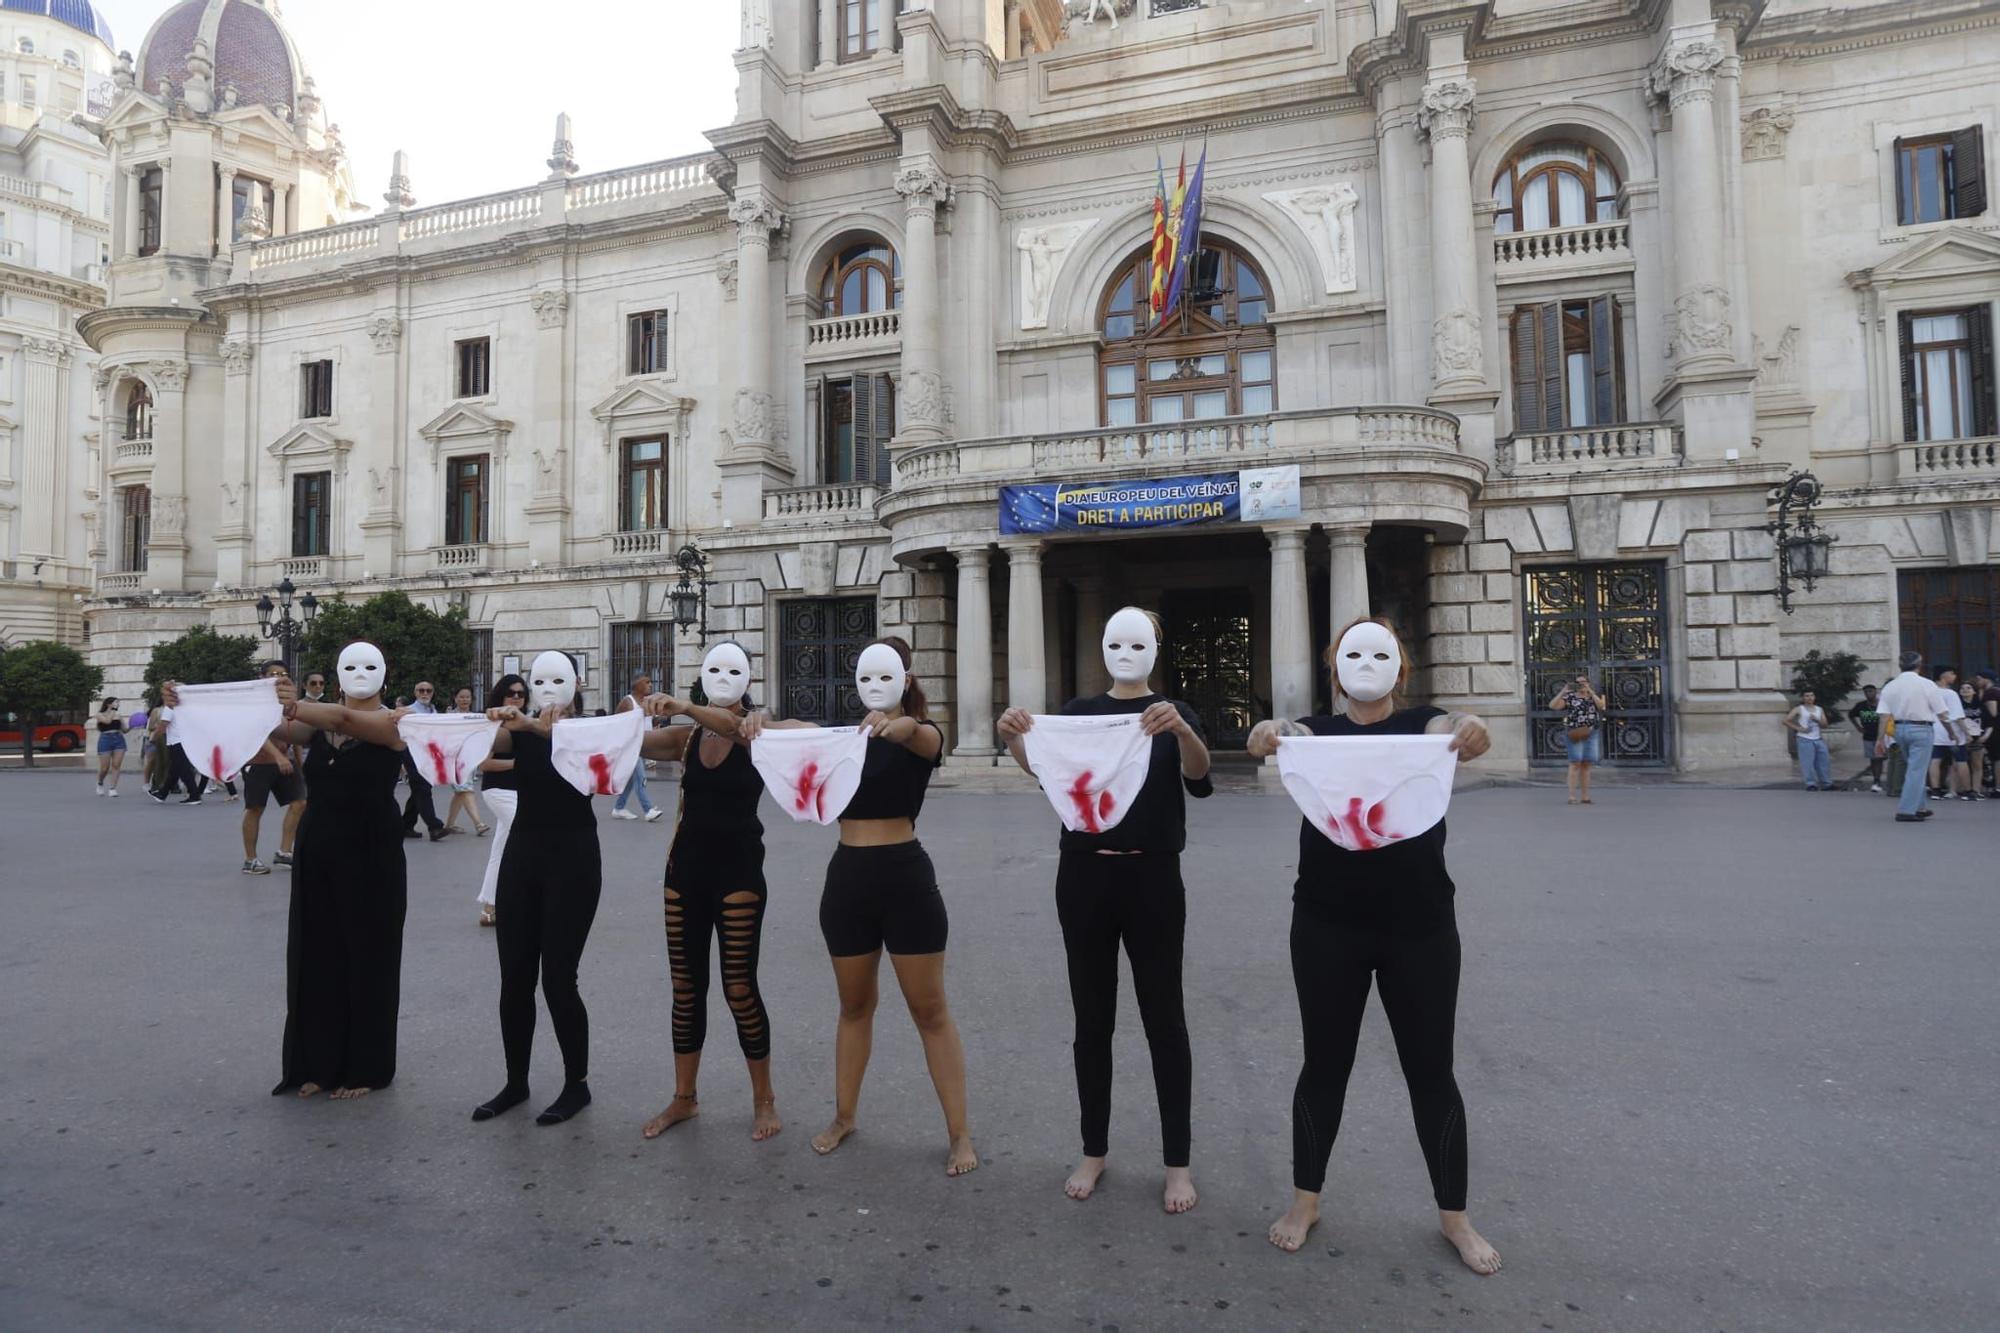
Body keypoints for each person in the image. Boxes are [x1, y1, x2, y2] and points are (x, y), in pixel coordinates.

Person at [1246, 616, 1501, 1275]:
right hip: (1328, 923)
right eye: (1351, 653)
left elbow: (1464, 733)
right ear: (1335, 670)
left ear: (1400, 668)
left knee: (1431, 1070)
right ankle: (1306, 1200)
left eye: (1379, 652)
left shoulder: (1425, 727)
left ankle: (1456, 1217)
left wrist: (1473, 728)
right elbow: (1272, 738)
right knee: (1324, 1063)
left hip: (1421, 925)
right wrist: (1266, 733)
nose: (1365, 662)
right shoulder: (1317, 731)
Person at [996, 607, 1211, 1214]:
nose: (1124, 651)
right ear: (1102, 646)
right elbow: (1049, 775)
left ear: (1155, 648)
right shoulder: (1078, 714)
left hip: (1153, 876)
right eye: (1113, 640)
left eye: (1136, 641)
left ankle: (1177, 1163)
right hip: (1085, 876)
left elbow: (1199, 778)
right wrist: (1015, 736)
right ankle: (1094, 1148)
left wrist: (1182, 733)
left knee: (1164, 1018)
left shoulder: (1171, 712)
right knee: (1092, 1019)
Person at [739, 636, 978, 1177]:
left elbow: (917, 736)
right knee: (853, 1007)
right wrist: (762, 722)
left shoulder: (922, 732)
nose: (874, 686)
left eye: (886, 675)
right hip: (847, 881)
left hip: (906, 879)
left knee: (930, 1010)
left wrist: (897, 725)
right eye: (866, 677)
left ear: (905, 680)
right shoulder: (846, 738)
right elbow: (801, 734)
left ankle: (959, 1134)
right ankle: (844, 1116)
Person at [173, 641, 409, 1100]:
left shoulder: (394, 722)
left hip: (372, 851)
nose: (360, 673)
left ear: (384, 672)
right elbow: (261, 726)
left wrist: (297, 703)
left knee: (368, 954)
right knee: (317, 952)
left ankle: (365, 1067)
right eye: (351, 666)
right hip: (318, 848)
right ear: (339, 676)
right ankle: (317, 1063)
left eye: (370, 665)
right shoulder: (313, 727)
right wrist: (188, 702)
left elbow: (343, 720)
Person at [638, 643, 782, 1144]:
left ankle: (764, 1099)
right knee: (685, 988)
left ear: (747, 678)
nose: (722, 676)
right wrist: (614, 721)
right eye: (714, 669)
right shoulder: (686, 736)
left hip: (739, 875)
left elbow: (734, 728)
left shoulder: (756, 730)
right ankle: (685, 1097)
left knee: (739, 987)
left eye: (732, 669)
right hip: (684, 874)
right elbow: (629, 743)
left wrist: (684, 705)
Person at [472, 652, 602, 1127]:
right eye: (538, 679)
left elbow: (596, 763)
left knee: (559, 979)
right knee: (514, 978)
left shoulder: (590, 731)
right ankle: (516, 1082)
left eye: (557, 679)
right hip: (523, 858)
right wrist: (490, 718)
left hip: (573, 860)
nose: (547, 687)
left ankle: (577, 1085)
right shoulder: (518, 732)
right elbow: (483, 742)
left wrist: (532, 726)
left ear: (577, 683)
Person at [239, 660, 308, 875]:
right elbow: (258, 732)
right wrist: (278, 756)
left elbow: (292, 732)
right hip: (257, 763)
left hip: (285, 761)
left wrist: (298, 762)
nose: (279, 677)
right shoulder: (255, 702)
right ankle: (250, 859)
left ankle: (284, 852)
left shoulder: (285, 701)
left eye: (283, 673)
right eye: (274, 673)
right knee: (255, 808)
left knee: (299, 802)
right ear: (262, 677)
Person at [473, 675, 526, 928]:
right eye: (511, 693)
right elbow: (484, 763)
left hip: (518, 792)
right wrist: (518, 764)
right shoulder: (494, 723)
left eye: (521, 694)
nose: (516, 697)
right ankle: (521, 899)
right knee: (526, 836)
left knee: (500, 849)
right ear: (501, 696)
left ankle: (490, 907)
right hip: (498, 790)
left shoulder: (525, 723)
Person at [1877, 651, 1949, 823]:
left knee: (1915, 769)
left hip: (1900, 729)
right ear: (1919, 665)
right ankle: (1906, 810)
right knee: (1916, 770)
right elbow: (1942, 713)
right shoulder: (1927, 684)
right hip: (1922, 729)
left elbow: (1884, 716)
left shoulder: (1891, 686)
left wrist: (1880, 740)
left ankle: (1920, 807)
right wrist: (1951, 731)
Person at [611, 673, 664, 823]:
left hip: (642, 746)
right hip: (630, 747)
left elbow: (648, 723)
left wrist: (661, 717)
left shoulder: (645, 702)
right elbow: (615, 722)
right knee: (641, 778)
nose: (650, 685)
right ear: (637, 685)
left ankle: (619, 808)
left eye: (650, 682)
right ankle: (648, 810)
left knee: (629, 780)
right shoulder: (628, 702)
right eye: (646, 682)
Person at [398, 681, 447, 841]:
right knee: (422, 788)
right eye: (421, 690)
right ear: (415, 692)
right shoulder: (408, 711)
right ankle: (434, 826)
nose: (425, 693)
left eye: (428, 690)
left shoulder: (433, 711)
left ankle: (406, 825)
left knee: (418, 790)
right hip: (411, 752)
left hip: (427, 754)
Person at [442, 686, 492, 835]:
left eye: (467, 697)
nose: (464, 700)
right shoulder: (448, 717)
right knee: (465, 789)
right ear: (455, 698)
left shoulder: (475, 717)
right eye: (461, 696)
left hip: (470, 758)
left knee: (460, 792)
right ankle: (479, 823)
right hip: (454, 759)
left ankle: (449, 825)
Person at [1550, 673, 1605, 804]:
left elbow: (1601, 706)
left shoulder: (1595, 695)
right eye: (1578, 682)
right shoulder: (1570, 697)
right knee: (1575, 763)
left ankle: (1585, 796)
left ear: (1588, 683)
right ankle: (1572, 796)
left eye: (1583, 682)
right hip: (1575, 732)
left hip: (1591, 732)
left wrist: (1590, 691)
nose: (1581, 685)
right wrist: (1563, 691)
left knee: (1587, 764)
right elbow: (1553, 706)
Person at [1927, 668, 1973, 800]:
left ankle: (1935, 790)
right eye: (1952, 673)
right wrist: (1967, 733)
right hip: (1953, 733)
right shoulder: (1951, 694)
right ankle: (1967, 791)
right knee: (1961, 760)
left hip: (1935, 731)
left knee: (1935, 760)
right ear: (1944, 675)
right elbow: (1957, 716)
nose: (1954, 676)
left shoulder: (1930, 692)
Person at [1784, 689, 1832, 791]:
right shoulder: (1799, 709)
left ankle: (1826, 783)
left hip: (1818, 739)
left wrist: (1817, 720)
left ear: (1814, 697)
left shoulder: (1819, 709)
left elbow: (1825, 725)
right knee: (1807, 763)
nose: (1809, 698)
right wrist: (1799, 728)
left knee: (1824, 761)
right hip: (1804, 739)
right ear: (1803, 698)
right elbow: (1786, 720)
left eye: (1811, 695)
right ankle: (1811, 784)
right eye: (1807, 696)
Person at [1847, 685, 1884, 793]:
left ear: (1876, 692)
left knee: (1879, 758)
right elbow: (1851, 715)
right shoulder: (1861, 706)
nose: (1869, 694)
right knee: (1873, 759)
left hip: (1881, 736)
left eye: (1871, 691)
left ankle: (1877, 781)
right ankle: (1876, 780)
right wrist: (1858, 727)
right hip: (1868, 736)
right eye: (1866, 692)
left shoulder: (1882, 705)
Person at [94, 697, 128, 796]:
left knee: (116, 765)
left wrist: (133, 725)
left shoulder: (119, 716)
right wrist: (113, 711)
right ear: (108, 704)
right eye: (116, 702)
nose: (118, 704)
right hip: (105, 739)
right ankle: (100, 783)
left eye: (118, 702)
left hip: (118, 739)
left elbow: (124, 730)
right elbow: (108, 721)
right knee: (104, 767)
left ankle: (113, 788)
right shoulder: (99, 715)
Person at [1976, 668, 2000, 796]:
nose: (1977, 681)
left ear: (1986, 679)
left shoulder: (1990, 693)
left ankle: (1997, 787)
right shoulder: (1994, 691)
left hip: (1995, 729)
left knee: (1996, 758)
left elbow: (1993, 712)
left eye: (1979, 679)